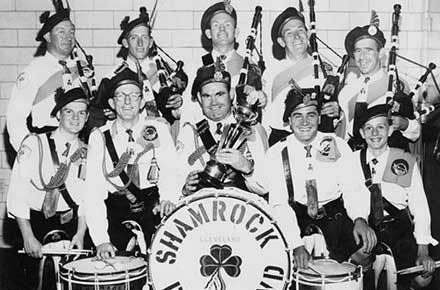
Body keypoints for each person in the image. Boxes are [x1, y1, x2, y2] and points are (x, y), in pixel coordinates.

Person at [247, 85, 377, 264]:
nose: (305, 122)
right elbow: (279, 204)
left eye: (311, 115)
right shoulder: (277, 152)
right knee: (288, 262)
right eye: (298, 116)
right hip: (295, 216)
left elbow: (353, 188)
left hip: (333, 214)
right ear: (289, 122)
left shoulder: (336, 144)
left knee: (365, 248)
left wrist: (360, 218)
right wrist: (295, 245)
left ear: (319, 118)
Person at [84, 68, 180, 259]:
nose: (127, 101)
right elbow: (93, 192)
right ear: (111, 103)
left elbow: (170, 170)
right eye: (120, 96)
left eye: (134, 95)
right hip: (115, 217)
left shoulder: (158, 129)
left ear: (142, 101)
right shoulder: (99, 137)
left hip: (152, 212)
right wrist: (101, 239)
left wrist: (168, 198)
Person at [7, 87, 90, 289]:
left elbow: (88, 200)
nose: (75, 118)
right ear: (58, 114)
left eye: (81, 113)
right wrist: (28, 236)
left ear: (87, 117)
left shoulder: (89, 152)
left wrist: (80, 234)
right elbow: (17, 193)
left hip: (71, 228)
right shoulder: (35, 143)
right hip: (36, 225)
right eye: (69, 111)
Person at [355, 104, 437, 289]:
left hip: (397, 227)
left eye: (381, 127)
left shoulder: (403, 161)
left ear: (390, 130)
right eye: (369, 128)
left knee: (424, 278)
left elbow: (420, 205)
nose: (375, 133)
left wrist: (423, 249)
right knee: (353, 266)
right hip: (365, 227)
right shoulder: (351, 161)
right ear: (361, 133)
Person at [87, 6, 185, 138]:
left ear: (151, 42)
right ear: (125, 43)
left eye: (144, 37)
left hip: (164, 136)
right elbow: (95, 116)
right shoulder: (112, 77)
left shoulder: (165, 72)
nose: (140, 43)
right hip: (127, 139)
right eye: (134, 38)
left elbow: (174, 110)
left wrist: (178, 103)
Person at [177, 61, 268, 197]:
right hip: (202, 211)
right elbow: (176, 179)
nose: (214, 102)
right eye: (207, 96)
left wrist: (247, 168)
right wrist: (185, 189)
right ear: (199, 99)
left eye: (220, 94)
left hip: (242, 210)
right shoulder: (189, 132)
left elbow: (265, 187)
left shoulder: (251, 130)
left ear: (231, 94)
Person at [6, 2, 84, 151]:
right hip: (47, 144)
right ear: (48, 36)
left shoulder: (80, 69)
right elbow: (15, 120)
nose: (68, 37)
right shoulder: (33, 72)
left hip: (78, 145)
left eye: (72, 32)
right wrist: (30, 154)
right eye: (61, 32)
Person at [338, 17, 420, 151]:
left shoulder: (397, 86)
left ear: (381, 53)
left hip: (387, 160)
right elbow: (343, 133)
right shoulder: (346, 91)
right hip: (355, 159)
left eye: (368, 50)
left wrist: (404, 124)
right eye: (358, 51)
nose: (362, 57)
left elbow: (416, 131)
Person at [180, 0, 267, 127]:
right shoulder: (194, 67)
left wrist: (261, 99)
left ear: (236, 32)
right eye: (216, 25)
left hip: (239, 139)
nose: (222, 29)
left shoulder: (250, 68)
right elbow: (188, 110)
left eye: (227, 24)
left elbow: (259, 113)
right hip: (203, 139)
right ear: (208, 33)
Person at [263, 7, 338, 146]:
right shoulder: (272, 72)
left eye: (300, 30)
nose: (297, 37)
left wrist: (336, 111)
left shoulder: (324, 70)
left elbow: (333, 114)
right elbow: (265, 118)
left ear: (308, 34)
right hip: (281, 140)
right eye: (289, 33)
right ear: (281, 41)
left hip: (316, 140)